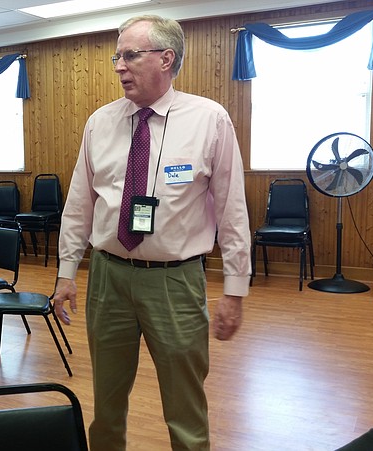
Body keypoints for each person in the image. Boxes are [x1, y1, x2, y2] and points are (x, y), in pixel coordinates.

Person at [53, 15, 251, 451]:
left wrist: (234, 290)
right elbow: (79, 204)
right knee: (106, 405)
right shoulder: (99, 122)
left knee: (185, 410)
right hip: (108, 277)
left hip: (175, 282)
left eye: (130, 55)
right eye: (117, 56)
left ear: (166, 58)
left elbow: (233, 210)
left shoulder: (208, 119)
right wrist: (66, 272)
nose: (119, 66)